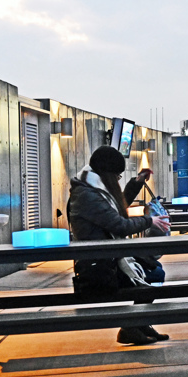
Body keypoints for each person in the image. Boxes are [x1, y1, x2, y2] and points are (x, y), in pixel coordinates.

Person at [67, 146, 171, 345]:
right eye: (117, 175)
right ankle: (131, 326)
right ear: (107, 173)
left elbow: (115, 208)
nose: (117, 180)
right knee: (155, 274)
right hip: (98, 267)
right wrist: (149, 221)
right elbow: (119, 224)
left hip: (107, 259)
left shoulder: (92, 189)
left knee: (154, 271)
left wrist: (136, 184)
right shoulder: (87, 196)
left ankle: (137, 323)